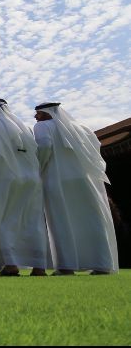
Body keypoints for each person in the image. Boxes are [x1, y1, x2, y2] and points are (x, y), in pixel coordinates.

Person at [34, 102, 119, 275]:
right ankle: (102, 264)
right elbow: (96, 150)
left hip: (57, 179)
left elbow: (44, 148)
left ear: (48, 113)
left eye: (38, 113)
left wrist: (37, 169)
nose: (36, 117)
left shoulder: (42, 127)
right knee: (92, 220)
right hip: (86, 181)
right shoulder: (82, 129)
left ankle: (66, 266)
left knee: (60, 221)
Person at [0, 99, 47, 277]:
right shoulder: (26, 129)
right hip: (31, 179)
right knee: (33, 221)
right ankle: (39, 266)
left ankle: (11, 265)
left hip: (4, 179)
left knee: (4, 220)